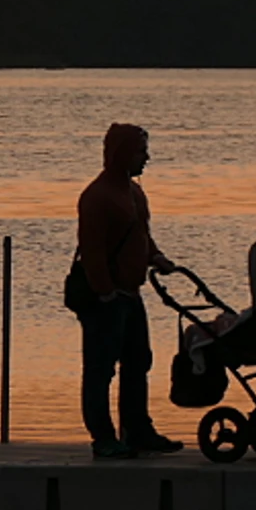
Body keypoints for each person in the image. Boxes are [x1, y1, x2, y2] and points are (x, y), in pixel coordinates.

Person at [74, 123, 181, 459]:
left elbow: (140, 236)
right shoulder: (97, 196)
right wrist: (105, 292)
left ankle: (137, 430)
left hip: (131, 294)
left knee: (138, 362)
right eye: (140, 151)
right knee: (101, 368)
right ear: (121, 154)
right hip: (104, 297)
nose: (146, 158)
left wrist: (156, 257)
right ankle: (103, 437)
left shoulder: (134, 193)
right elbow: (91, 251)